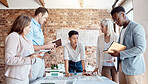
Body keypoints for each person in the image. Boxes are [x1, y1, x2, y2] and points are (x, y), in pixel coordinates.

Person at [109, 6, 146, 84]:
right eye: (114, 21)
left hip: (133, 70)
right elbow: (124, 47)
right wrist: (114, 51)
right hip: (122, 68)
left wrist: (120, 53)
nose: (116, 22)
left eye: (117, 19)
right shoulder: (122, 30)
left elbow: (140, 48)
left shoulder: (136, 27)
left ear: (123, 15)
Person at [5, 15, 43, 84]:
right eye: (29, 27)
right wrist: (29, 59)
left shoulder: (24, 38)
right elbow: (8, 59)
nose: (30, 29)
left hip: (24, 76)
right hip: (15, 78)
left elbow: (26, 55)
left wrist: (35, 56)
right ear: (22, 26)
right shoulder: (13, 36)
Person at [25, 7, 55, 83]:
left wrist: (48, 48)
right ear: (40, 15)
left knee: (40, 81)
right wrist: (46, 46)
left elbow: (38, 45)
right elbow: (28, 46)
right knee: (32, 82)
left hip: (40, 59)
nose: (45, 20)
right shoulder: (30, 25)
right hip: (34, 60)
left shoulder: (38, 27)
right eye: (45, 18)